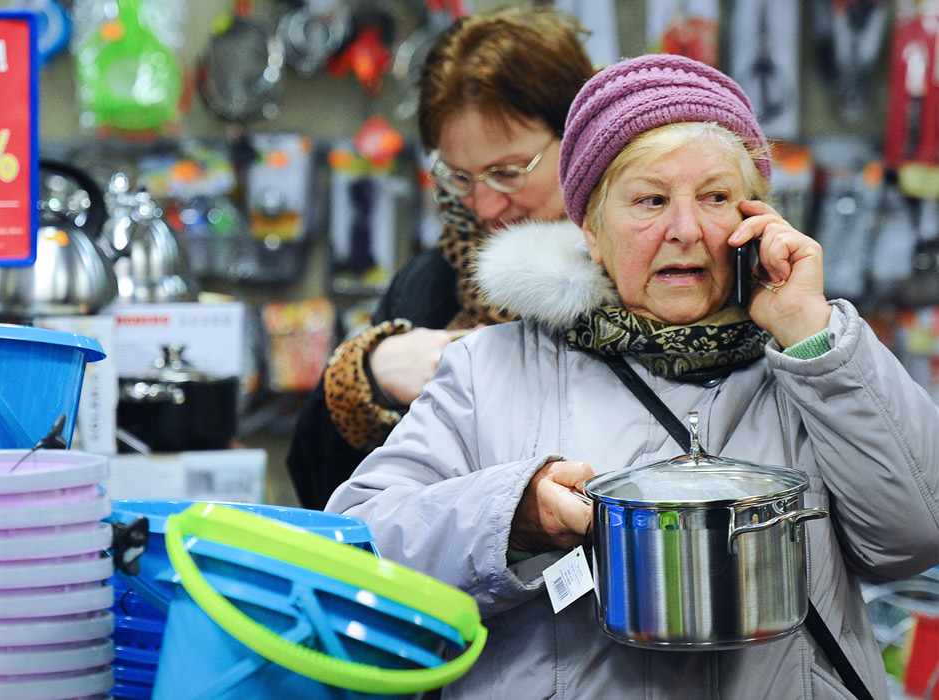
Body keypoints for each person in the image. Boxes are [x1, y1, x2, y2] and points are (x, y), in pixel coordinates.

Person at [326, 53, 939, 699]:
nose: (684, 229)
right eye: (649, 200)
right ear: (590, 228)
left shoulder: (812, 359)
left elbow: (914, 538)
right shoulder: (490, 368)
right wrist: (509, 518)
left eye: (716, 198)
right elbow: (358, 553)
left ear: (753, 217)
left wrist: (810, 335)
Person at [285, 6, 596, 509]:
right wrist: (368, 379)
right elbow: (324, 496)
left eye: (510, 171)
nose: (486, 205)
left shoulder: (649, 269)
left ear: (582, 137)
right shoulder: (433, 281)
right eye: (461, 177)